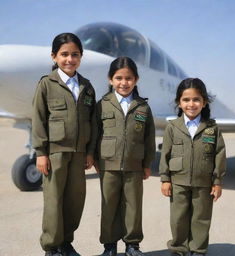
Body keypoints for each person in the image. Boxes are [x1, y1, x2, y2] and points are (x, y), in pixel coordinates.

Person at [32, 33, 96, 256]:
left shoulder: (87, 87)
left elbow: (92, 123)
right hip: (55, 153)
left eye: (75, 54)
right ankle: (51, 247)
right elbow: (38, 119)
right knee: (53, 202)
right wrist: (41, 153)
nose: (70, 59)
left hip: (79, 155)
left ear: (81, 57)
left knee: (74, 201)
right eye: (64, 54)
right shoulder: (46, 85)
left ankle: (66, 243)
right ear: (54, 56)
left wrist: (90, 153)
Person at [95, 57, 156, 256]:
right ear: (110, 79)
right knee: (109, 206)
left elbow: (149, 139)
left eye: (128, 78)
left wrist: (147, 164)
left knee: (133, 206)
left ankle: (132, 245)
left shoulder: (143, 107)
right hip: (108, 164)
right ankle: (109, 245)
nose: (124, 82)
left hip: (134, 166)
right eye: (119, 78)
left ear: (136, 79)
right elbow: (95, 134)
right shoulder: (102, 104)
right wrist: (95, 159)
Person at [159, 78, 226, 256]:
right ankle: (179, 248)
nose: (191, 104)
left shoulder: (212, 128)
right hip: (178, 181)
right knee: (178, 218)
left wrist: (217, 181)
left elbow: (219, 154)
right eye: (186, 100)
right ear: (179, 103)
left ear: (204, 102)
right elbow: (165, 154)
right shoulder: (172, 127)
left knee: (201, 218)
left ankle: (198, 249)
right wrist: (165, 179)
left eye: (196, 99)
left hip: (203, 182)